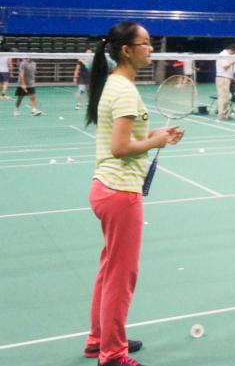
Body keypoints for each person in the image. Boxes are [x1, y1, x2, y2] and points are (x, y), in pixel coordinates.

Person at [83, 21, 184, 366]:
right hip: (120, 193)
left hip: (105, 188)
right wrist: (155, 140)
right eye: (145, 44)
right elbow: (121, 146)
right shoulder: (124, 90)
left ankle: (99, 339)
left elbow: (126, 137)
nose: (151, 48)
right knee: (121, 278)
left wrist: (157, 134)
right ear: (127, 50)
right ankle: (112, 354)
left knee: (109, 270)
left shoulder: (116, 85)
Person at [215, 44, 235, 120]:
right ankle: (221, 115)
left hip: (227, 78)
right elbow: (225, 67)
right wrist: (233, 62)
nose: (234, 54)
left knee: (226, 97)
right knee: (222, 97)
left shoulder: (227, 55)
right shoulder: (223, 55)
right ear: (232, 50)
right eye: (234, 52)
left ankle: (224, 113)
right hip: (222, 78)